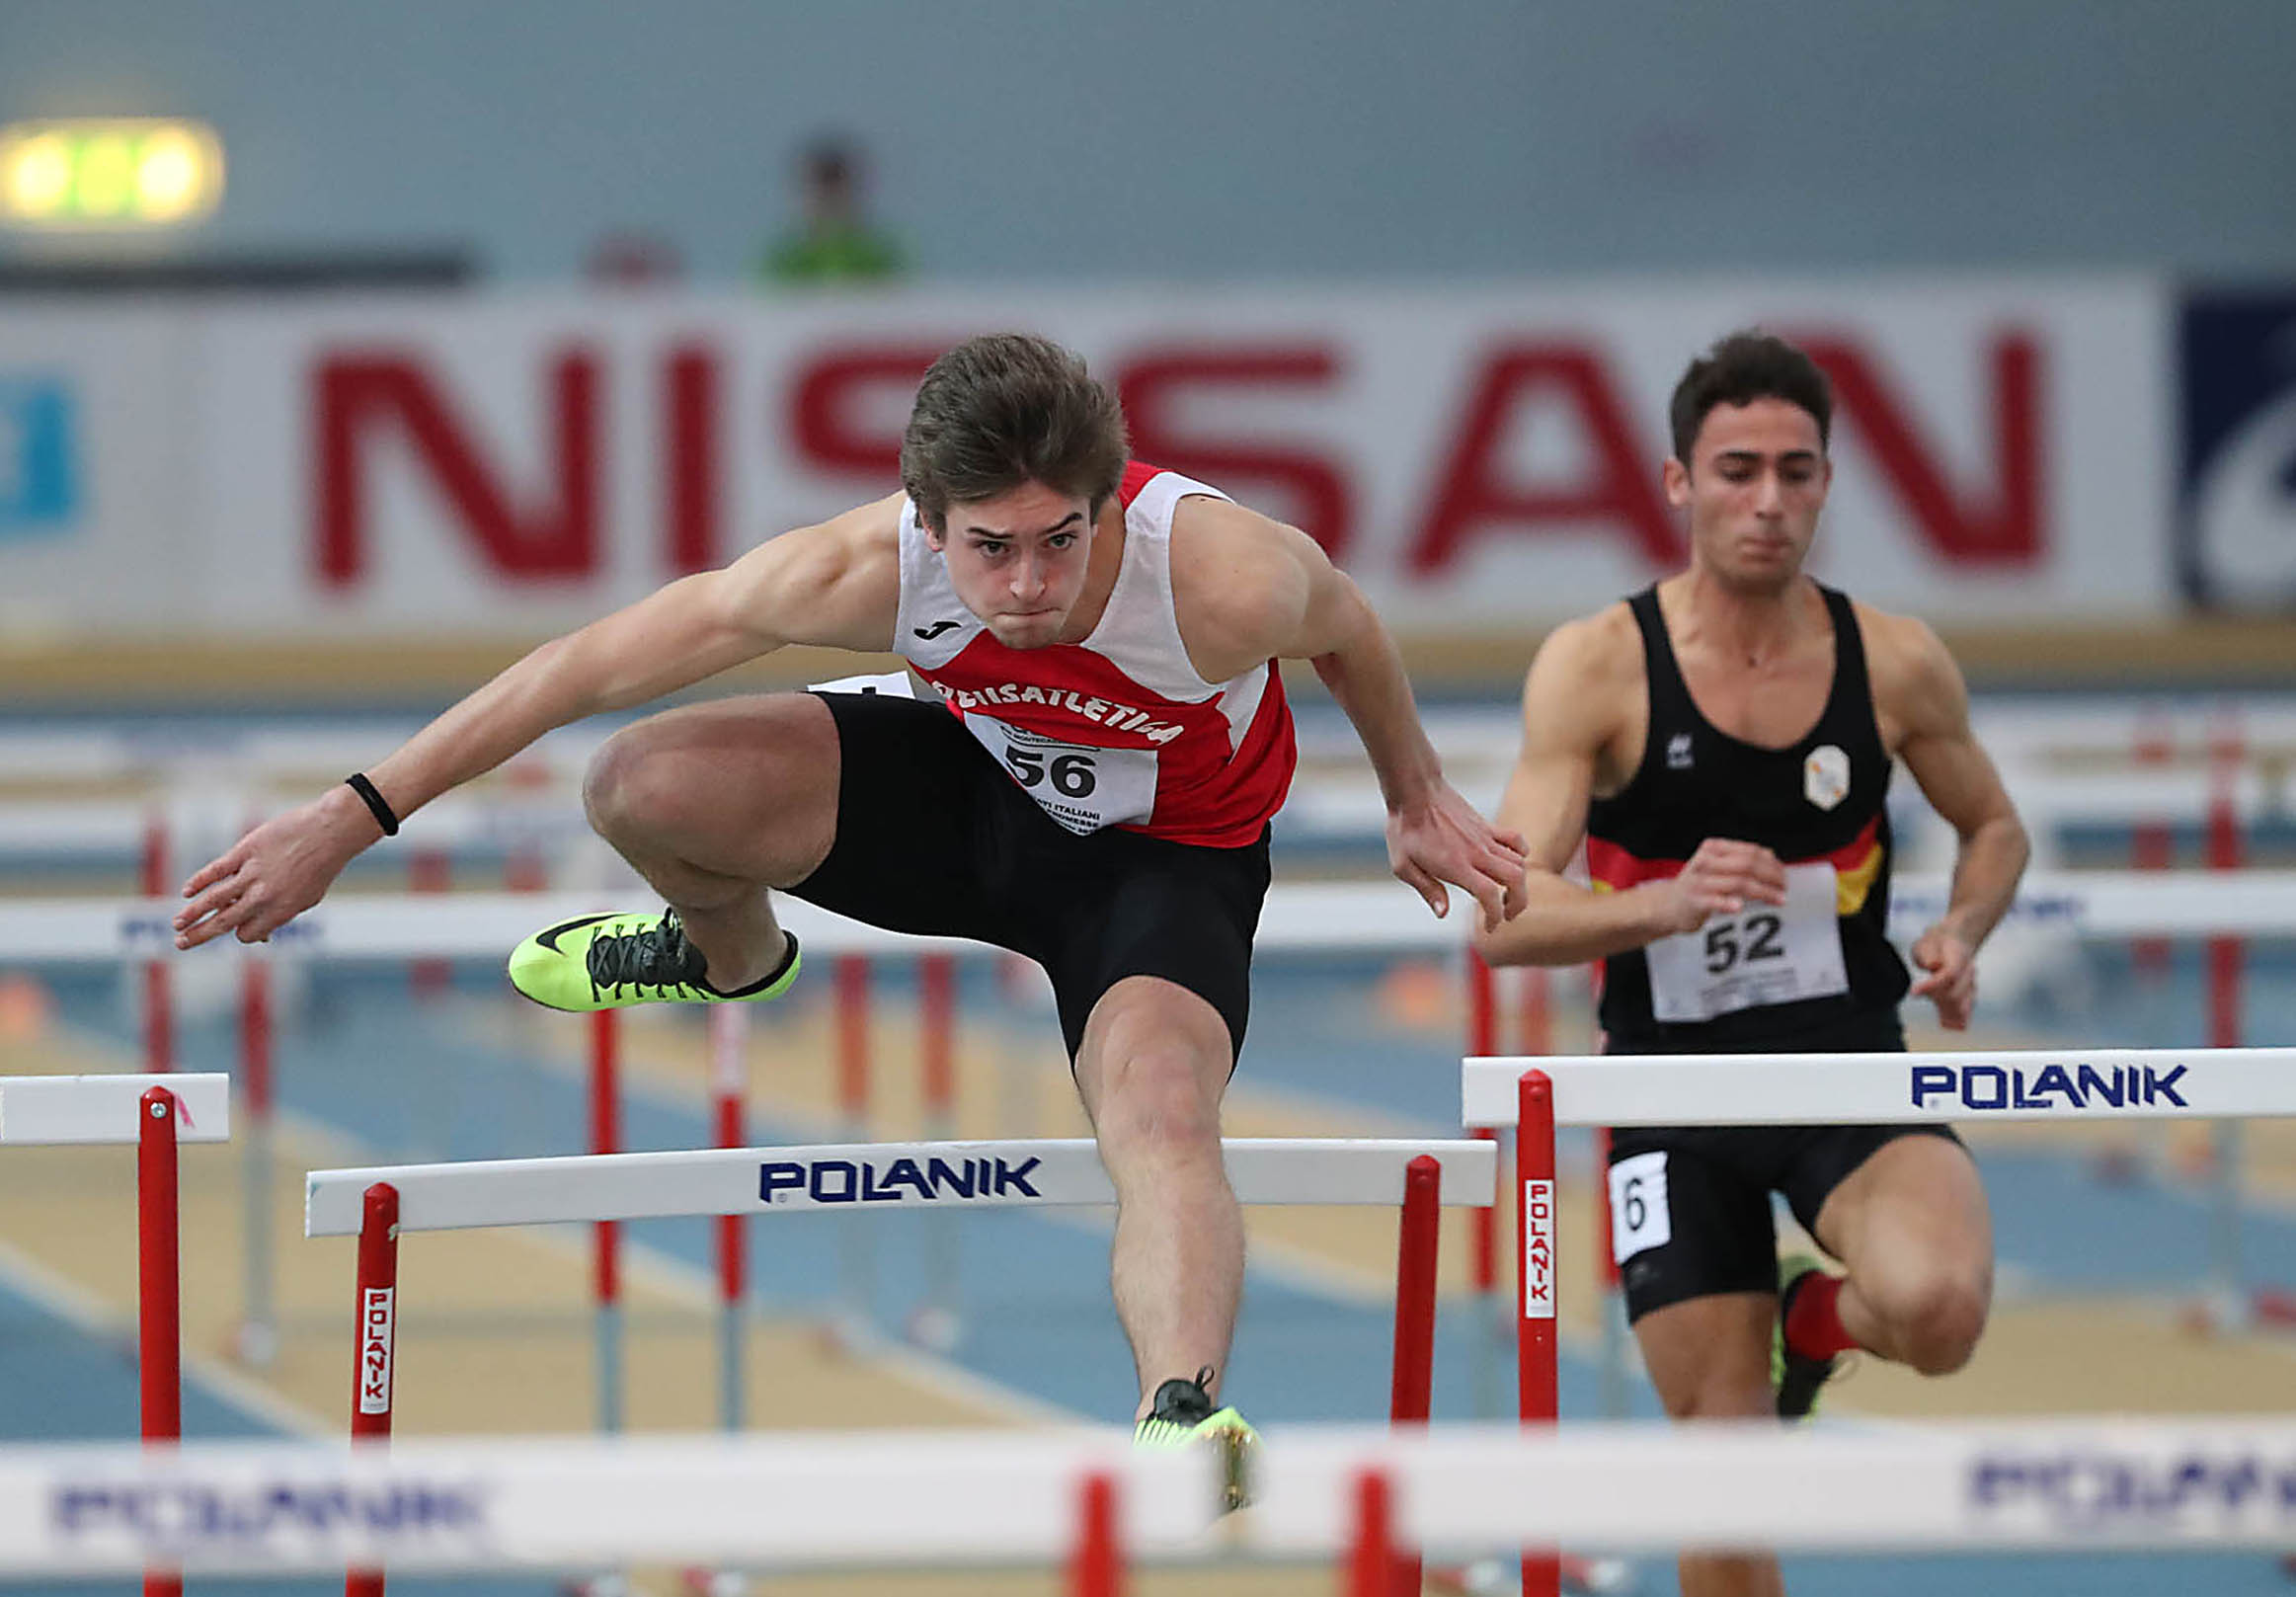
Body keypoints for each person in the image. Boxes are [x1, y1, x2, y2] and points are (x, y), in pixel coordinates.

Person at [174, 332, 1528, 1492]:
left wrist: (1413, 794)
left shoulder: (1222, 578)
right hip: (968, 800)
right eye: (989, 550)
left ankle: (1183, 1416)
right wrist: (354, 814)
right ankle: (730, 955)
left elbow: (1351, 626)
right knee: (638, 780)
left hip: (1163, 867)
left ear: (1107, 506)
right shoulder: (856, 572)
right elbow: (581, 668)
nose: (1029, 586)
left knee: (1164, 1113)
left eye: (1061, 541)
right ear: (926, 525)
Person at [1473, 331, 2028, 1597]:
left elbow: (1996, 827)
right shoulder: (1599, 665)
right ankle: (1767, 1353)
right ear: (1679, 483)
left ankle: (1809, 1324)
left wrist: (1962, 929)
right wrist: (1660, 907)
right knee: (1722, 1482)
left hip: (1850, 1072)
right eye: (1737, 471)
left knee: (1941, 1312)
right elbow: (1505, 914)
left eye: (1795, 471)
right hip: (1669, 1095)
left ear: (1827, 482)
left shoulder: (1893, 659)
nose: (1768, 501)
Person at [756, 134, 906, 286]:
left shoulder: (880, 257)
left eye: (837, 192)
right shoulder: (784, 260)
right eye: (822, 192)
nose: (830, 201)